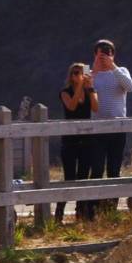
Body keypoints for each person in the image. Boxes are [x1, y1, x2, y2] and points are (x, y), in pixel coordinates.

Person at [89, 39, 132, 209]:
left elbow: (130, 87)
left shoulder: (121, 71)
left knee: (114, 169)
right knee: (96, 169)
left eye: (107, 53)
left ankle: (110, 208)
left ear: (113, 54)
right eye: (100, 54)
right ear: (95, 54)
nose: (104, 57)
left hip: (118, 128)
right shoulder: (90, 73)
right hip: (97, 129)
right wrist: (94, 69)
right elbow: (82, 92)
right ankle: (92, 208)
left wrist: (113, 67)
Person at [55, 62, 99, 224]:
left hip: (86, 138)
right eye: (74, 73)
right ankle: (59, 212)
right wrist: (79, 86)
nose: (77, 76)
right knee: (69, 177)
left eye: (80, 73)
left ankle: (82, 213)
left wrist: (90, 87)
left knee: (83, 177)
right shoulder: (65, 92)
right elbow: (72, 106)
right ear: (70, 76)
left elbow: (95, 108)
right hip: (70, 140)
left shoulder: (89, 91)